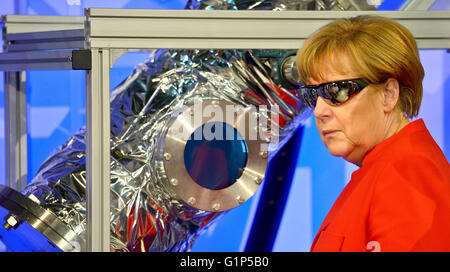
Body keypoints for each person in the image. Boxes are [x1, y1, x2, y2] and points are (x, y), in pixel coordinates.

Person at [296, 15, 450, 252]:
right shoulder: (384, 169)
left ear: (388, 94)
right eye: (312, 95)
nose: (319, 111)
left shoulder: (409, 171)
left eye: (336, 91)